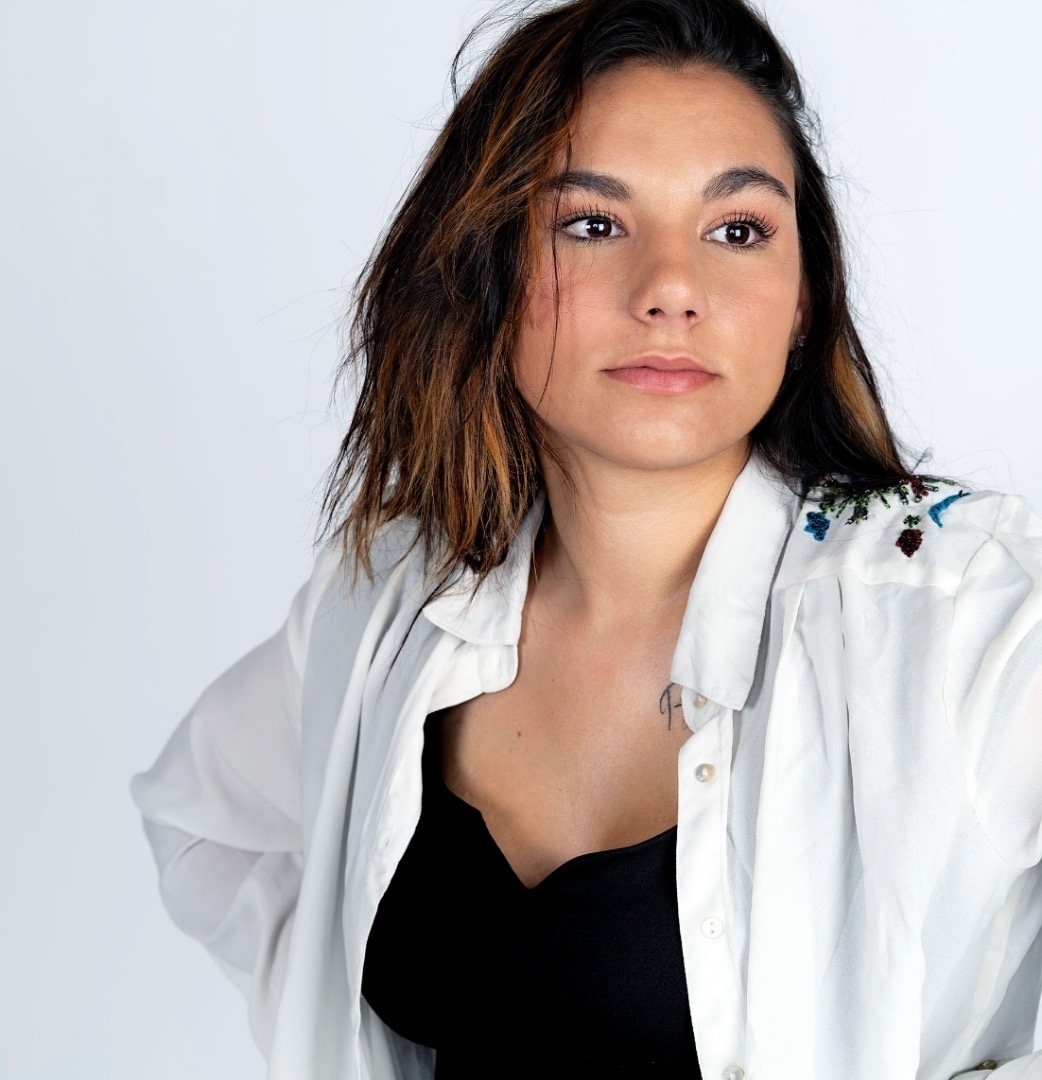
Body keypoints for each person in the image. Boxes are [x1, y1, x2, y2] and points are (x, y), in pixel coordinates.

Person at [130, 0, 1042, 1077]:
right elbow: (207, 821)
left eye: (737, 230)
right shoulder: (391, 597)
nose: (671, 290)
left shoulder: (975, 619)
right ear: (485, 269)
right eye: (592, 224)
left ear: (804, 297)